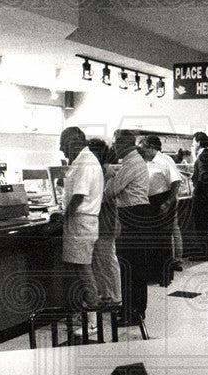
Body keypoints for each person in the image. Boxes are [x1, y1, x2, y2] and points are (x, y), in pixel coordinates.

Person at [106, 130, 152, 325]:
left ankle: (132, 313)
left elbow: (112, 191)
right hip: (138, 214)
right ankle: (133, 309)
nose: (114, 147)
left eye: (116, 143)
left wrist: (108, 175)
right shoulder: (133, 162)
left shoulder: (131, 162)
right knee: (135, 266)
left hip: (132, 215)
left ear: (125, 144)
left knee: (130, 266)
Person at [58, 126, 104, 312]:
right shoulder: (86, 160)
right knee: (81, 267)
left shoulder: (85, 162)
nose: (61, 149)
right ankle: (88, 307)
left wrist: (63, 217)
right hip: (84, 221)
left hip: (81, 222)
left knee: (83, 269)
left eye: (62, 144)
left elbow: (78, 196)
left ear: (72, 142)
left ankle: (92, 309)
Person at [139, 134, 182, 284]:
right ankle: (153, 275)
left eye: (144, 148)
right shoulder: (147, 162)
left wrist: (168, 202)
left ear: (151, 148)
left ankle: (165, 276)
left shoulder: (165, 160)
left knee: (163, 240)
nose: (142, 151)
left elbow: (176, 182)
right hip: (151, 201)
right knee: (152, 240)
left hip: (163, 200)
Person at [87, 137, 122, 305]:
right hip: (102, 221)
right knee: (100, 262)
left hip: (106, 221)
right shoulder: (100, 169)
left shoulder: (106, 172)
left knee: (107, 260)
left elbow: (104, 196)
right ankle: (106, 293)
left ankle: (115, 296)